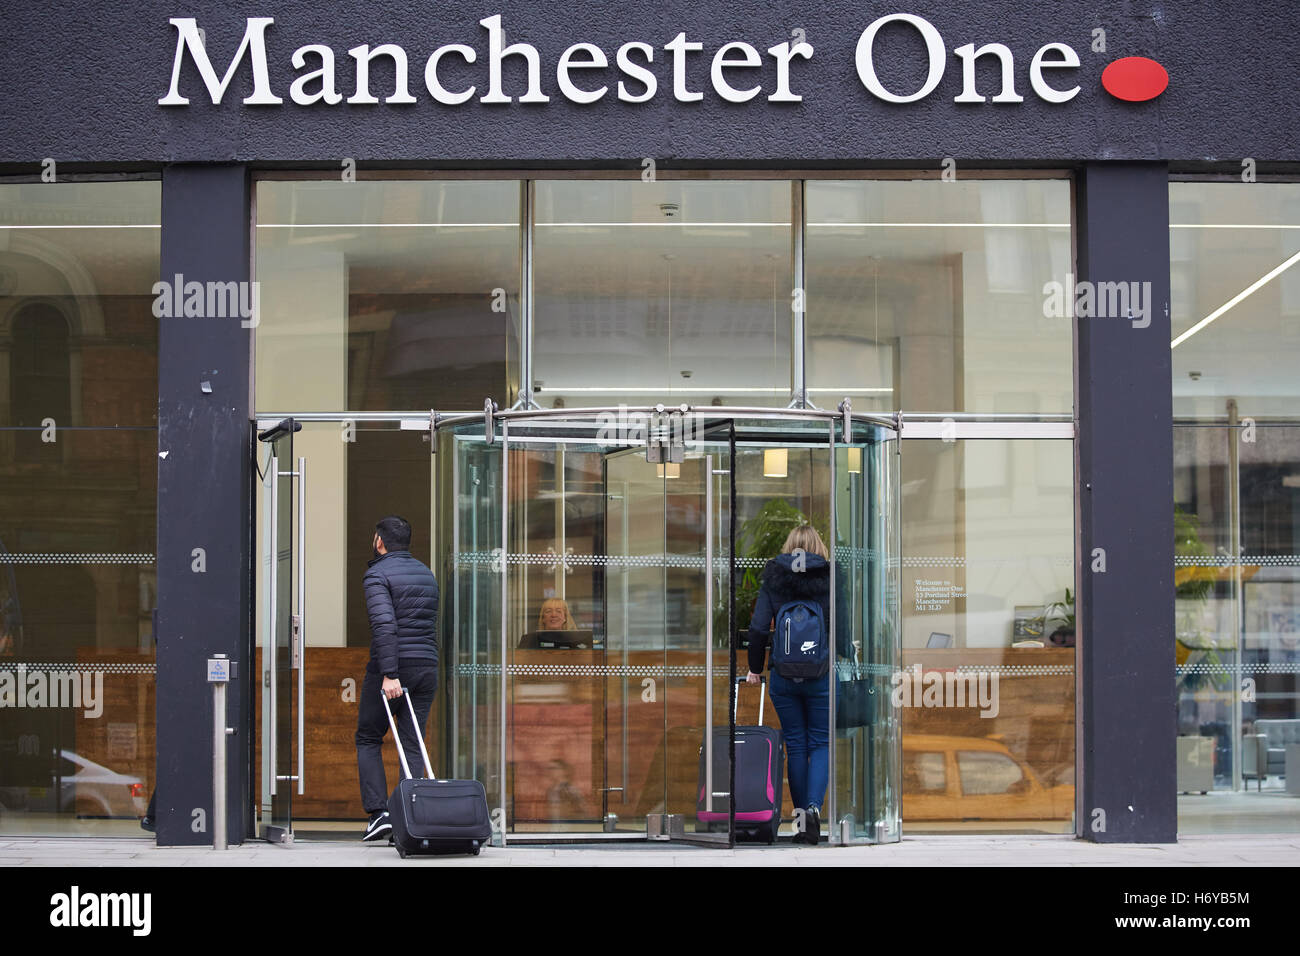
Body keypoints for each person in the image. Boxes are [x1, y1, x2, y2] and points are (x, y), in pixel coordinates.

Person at [744, 524, 847, 845]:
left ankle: (802, 823)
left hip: (784, 676)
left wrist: (755, 669)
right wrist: (844, 655)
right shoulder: (831, 576)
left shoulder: (774, 577)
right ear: (819, 547)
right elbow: (843, 624)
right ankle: (814, 809)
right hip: (822, 674)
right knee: (820, 743)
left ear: (789, 547)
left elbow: (759, 627)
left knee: (796, 745)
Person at [355, 515, 440, 843]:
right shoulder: (425, 573)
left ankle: (379, 815)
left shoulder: (377, 573)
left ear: (379, 541)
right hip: (426, 666)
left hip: (393, 667)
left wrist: (389, 674)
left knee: (368, 737)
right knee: (412, 741)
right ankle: (409, 818)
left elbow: (384, 625)